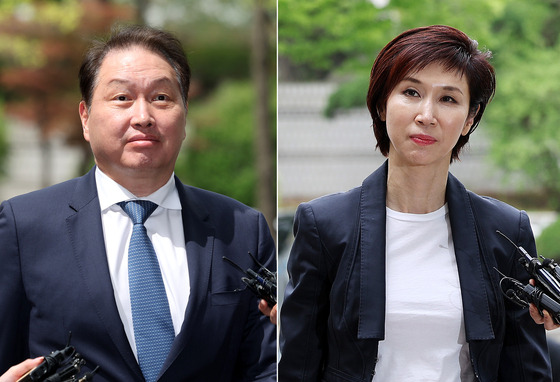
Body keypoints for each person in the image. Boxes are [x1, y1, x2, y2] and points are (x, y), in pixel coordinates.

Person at [0, 25, 276, 381]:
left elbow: (264, 368)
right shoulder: (23, 226)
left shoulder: (241, 228)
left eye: (161, 98)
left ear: (185, 113)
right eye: (122, 98)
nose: (143, 116)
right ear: (85, 117)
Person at [279, 25, 551, 381]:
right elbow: (298, 365)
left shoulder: (505, 230)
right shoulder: (325, 224)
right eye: (411, 92)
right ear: (381, 104)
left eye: (448, 99)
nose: (427, 114)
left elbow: (525, 369)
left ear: (470, 119)